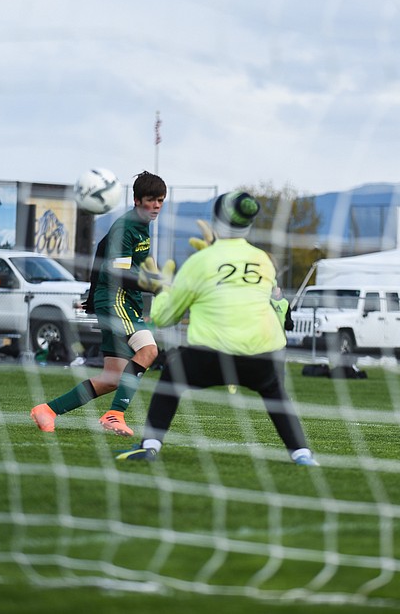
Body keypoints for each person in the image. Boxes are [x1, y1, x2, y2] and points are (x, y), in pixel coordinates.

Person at [115, 191, 317, 466]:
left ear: (215, 220)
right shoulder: (263, 261)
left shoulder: (201, 262)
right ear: (249, 223)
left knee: (172, 376)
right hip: (262, 352)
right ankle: (302, 454)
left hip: (210, 353)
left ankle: (150, 445)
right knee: (275, 392)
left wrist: (162, 287)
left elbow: (164, 318)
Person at [31, 170, 167, 436]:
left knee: (113, 379)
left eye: (161, 200)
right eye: (151, 199)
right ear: (137, 199)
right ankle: (114, 415)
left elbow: (100, 250)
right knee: (149, 351)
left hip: (120, 299)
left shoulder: (141, 224)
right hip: (117, 299)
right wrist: (156, 283)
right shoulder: (126, 226)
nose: (157, 205)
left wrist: (92, 297)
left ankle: (47, 410)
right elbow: (120, 275)